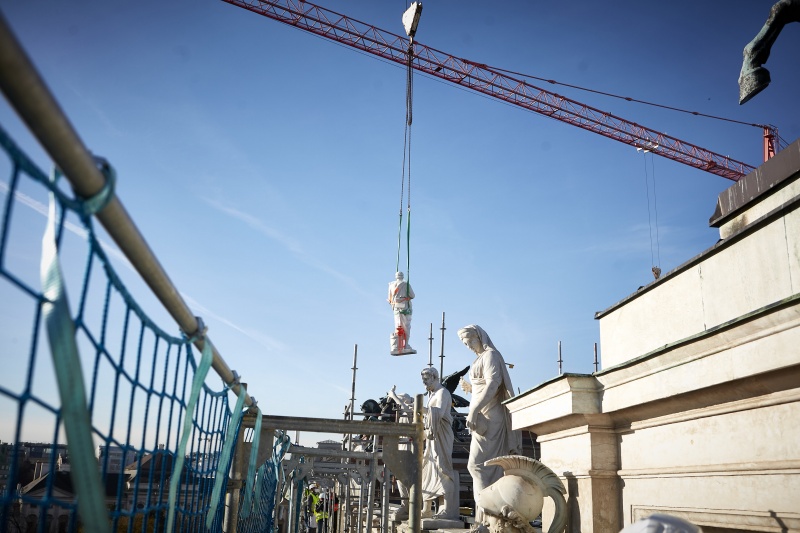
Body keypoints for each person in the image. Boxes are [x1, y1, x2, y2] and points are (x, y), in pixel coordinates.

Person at [457, 325, 522, 524]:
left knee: (478, 466)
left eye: (470, 341)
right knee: (484, 467)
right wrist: (471, 388)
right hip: (482, 416)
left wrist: (475, 409)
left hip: (491, 417)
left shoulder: (491, 355)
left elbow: (493, 384)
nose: (468, 346)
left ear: (480, 337)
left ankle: (486, 515)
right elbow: (482, 386)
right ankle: (485, 516)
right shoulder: (480, 358)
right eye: (465, 344)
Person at [420, 367, 459, 520]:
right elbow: (430, 414)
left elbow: (440, 413)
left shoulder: (443, 392)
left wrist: (420, 409)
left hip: (442, 434)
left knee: (443, 469)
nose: (425, 384)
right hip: (433, 437)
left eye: (426, 380)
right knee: (429, 470)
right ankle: (427, 508)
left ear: (434, 377)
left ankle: (448, 509)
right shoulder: (433, 394)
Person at [388, 271, 416, 355]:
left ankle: (397, 346)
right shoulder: (406, 284)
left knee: (398, 326)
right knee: (406, 327)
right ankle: (405, 345)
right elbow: (413, 295)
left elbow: (389, 299)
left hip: (396, 308)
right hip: (405, 308)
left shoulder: (391, 285)